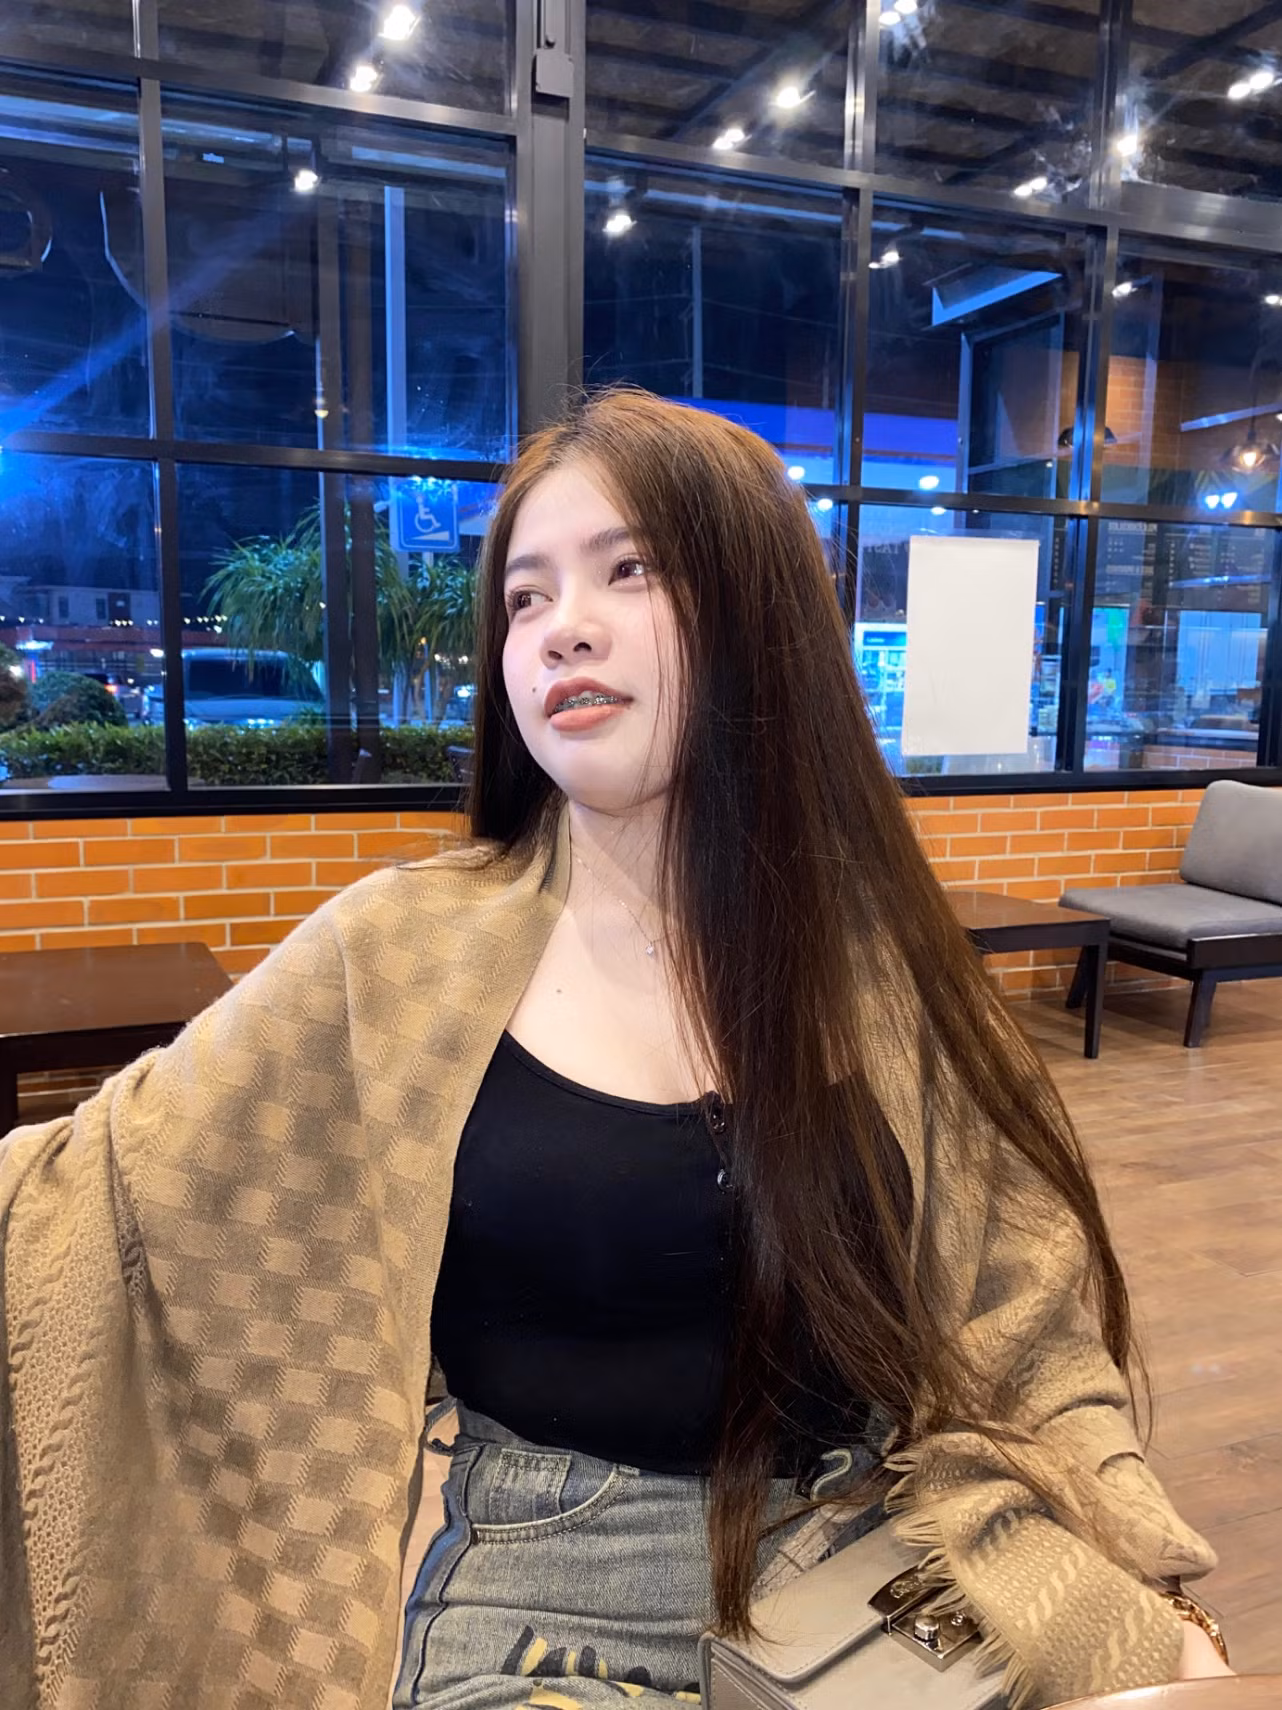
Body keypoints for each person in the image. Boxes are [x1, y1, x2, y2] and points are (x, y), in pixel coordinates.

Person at [0, 388, 1228, 1710]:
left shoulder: (894, 972)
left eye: (628, 569)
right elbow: (88, 1200)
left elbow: (1029, 1337)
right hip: (549, 1587)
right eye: (524, 597)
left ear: (762, 614)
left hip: (883, 1547)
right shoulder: (398, 954)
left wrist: (1152, 1598)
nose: (559, 626)